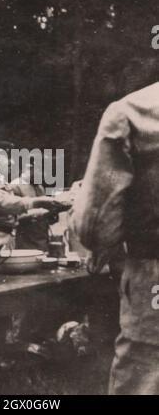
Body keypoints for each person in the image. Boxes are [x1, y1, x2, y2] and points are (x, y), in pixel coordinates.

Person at [71, 81, 159, 395]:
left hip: (153, 277)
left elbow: (95, 226)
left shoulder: (132, 112)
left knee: (145, 378)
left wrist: (103, 246)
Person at [11, 161, 59, 251]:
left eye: (40, 169)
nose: (39, 173)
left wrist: (53, 213)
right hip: (25, 240)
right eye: (34, 169)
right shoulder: (15, 186)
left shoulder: (39, 187)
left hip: (42, 239)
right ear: (23, 170)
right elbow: (13, 216)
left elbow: (46, 214)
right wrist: (38, 213)